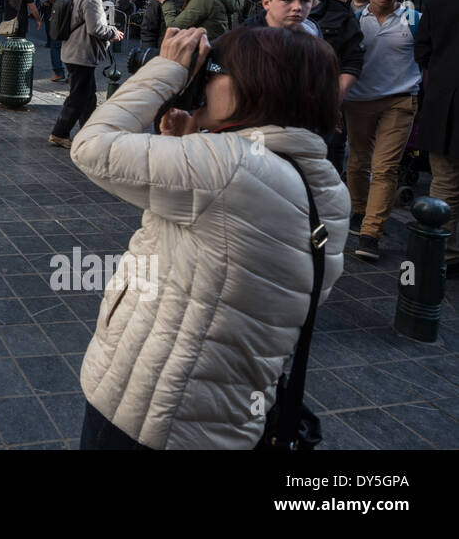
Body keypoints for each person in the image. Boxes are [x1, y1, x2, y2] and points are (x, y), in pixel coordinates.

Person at [70, 25, 348, 448]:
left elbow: (91, 146)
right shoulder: (324, 184)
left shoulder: (229, 166)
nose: (197, 82)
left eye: (208, 71)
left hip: (150, 412)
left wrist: (167, 70)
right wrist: (193, 142)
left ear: (253, 87)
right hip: (221, 415)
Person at [343, 0, 421, 261]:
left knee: (385, 167)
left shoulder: (414, 20)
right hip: (359, 100)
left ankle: (371, 233)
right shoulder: (353, 21)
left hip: (399, 101)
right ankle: (359, 211)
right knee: (358, 161)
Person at [290, 0, 366, 176]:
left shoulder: (339, 13)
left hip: (328, 98)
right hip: (284, 102)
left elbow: (353, 60)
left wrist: (334, 99)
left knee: (329, 158)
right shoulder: (273, 11)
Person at [414, 0, 459, 277]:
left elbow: (423, 53)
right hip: (445, 104)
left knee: (445, 180)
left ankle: (445, 251)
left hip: (445, 104)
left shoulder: (438, 3)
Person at [48, 0, 124, 148]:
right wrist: (114, 33)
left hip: (74, 52)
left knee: (88, 97)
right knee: (78, 97)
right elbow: (96, 28)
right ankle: (59, 133)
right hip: (81, 54)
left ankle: (89, 133)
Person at [45, 0, 76, 82]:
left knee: (55, 47)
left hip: (60, 25)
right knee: (70, 50)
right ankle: (72, 75)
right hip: (72, 26)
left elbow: (57, 10)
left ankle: (59, 72)